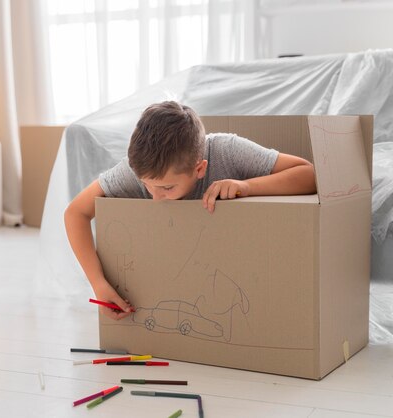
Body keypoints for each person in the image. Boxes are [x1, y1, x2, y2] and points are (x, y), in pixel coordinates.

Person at [64, 101, 316, 320]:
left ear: (200, 169)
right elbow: (75, 212)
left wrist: (246, 186)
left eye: (166, 187)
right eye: (146, 185)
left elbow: (309, 174)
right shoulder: (136, 169)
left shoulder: (227, 151)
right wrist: (98, 283)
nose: (155, 197)